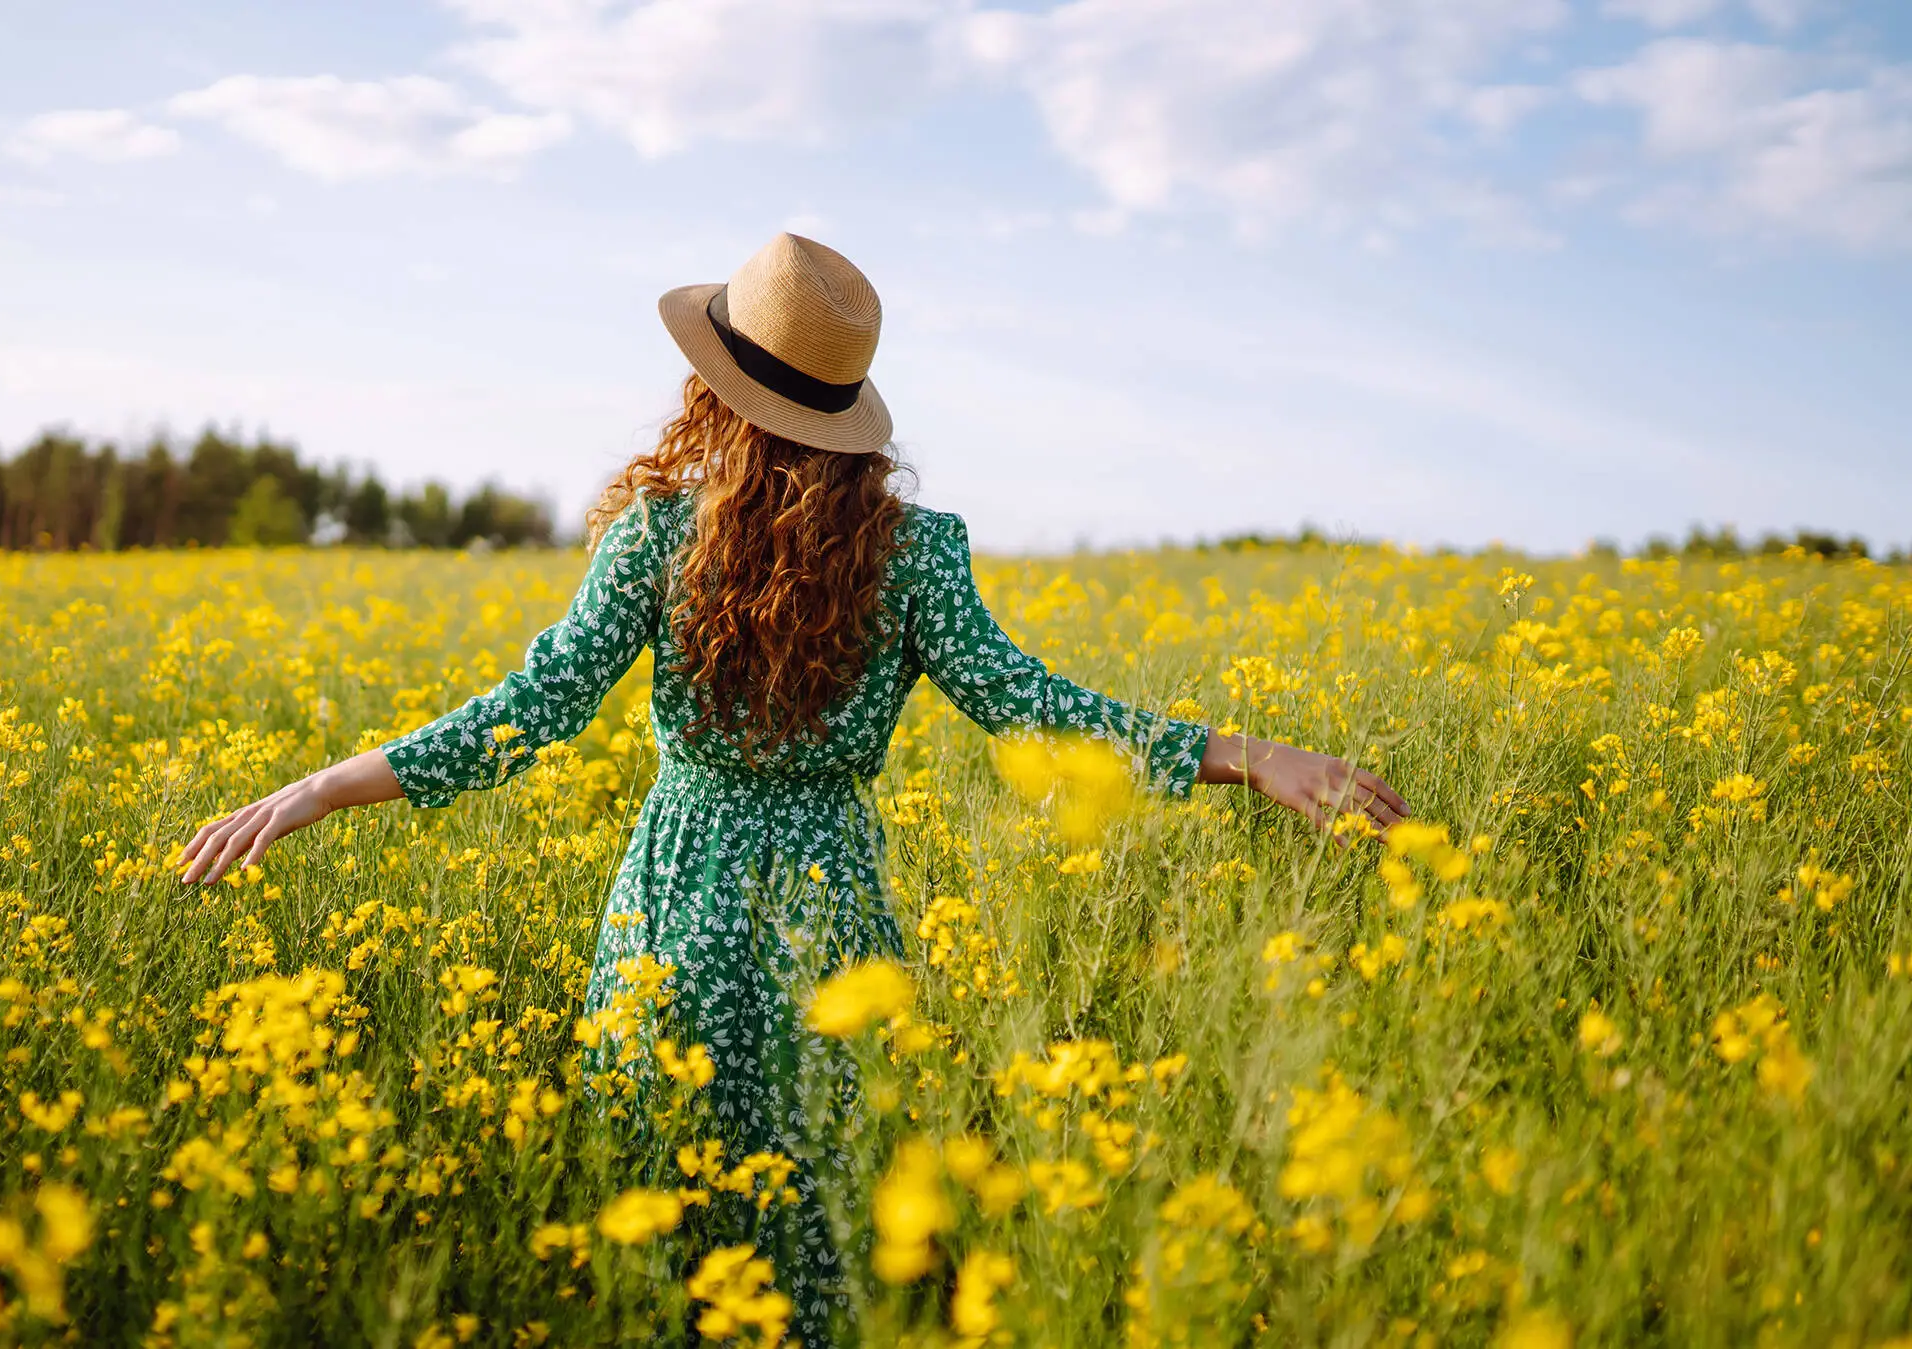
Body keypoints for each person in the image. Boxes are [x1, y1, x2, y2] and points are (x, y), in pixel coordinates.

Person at [179, 233, 1409, 1343]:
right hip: (831, 920)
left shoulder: (658, 536)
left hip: (675, 907)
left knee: (664, 1226)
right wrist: (1252, 755)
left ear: (715, 386)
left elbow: (530, 709)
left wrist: (328, 786)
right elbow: (1037, 706)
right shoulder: (917, 552)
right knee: (821, 1224)